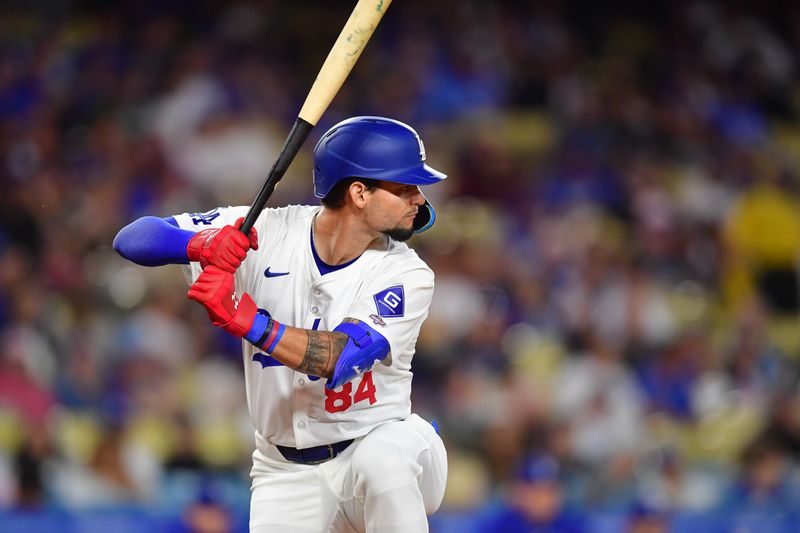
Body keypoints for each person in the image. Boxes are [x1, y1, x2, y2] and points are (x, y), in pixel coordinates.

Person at [113, 116, 449, 532]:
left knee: (384, 464)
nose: (419, 198)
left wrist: (249, 321)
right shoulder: (268, 231)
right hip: (285, 468)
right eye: (404, 188)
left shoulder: (408, 274)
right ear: (359, 193)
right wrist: (203, 244)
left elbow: (339, 357)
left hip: (380, 442)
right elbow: (132, 238)